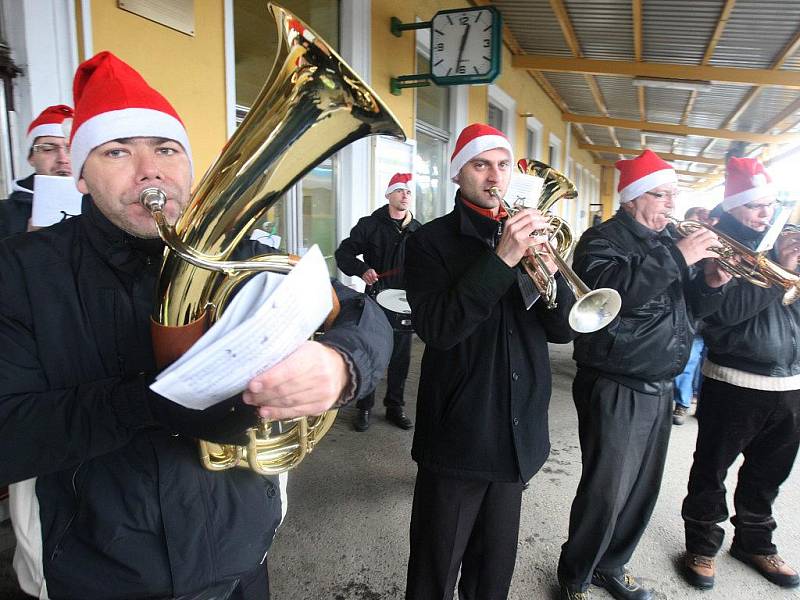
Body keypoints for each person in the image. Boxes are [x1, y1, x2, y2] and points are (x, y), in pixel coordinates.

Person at [0, 51, 391, 600]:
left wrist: (342, 363)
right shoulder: (18, 270)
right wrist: (148, 404)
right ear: (82, 174)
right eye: (117, 151)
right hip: (90, 576)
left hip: (239, 560)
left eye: (166, 149)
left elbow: (358, 312)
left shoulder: (241, 256)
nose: (150, 170)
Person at [403, 123, 576, 599]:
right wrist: (502, 259)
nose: (494, 175)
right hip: (459, 435)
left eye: (502, 164)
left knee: (492, 575)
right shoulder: (429, 242)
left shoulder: (530, 235)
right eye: (481, 165)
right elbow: (438, 329)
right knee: (433, 574)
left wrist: (552, 270)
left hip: (518, 434)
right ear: (459, 175)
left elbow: (561, 330)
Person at [557, 150, 732, 600]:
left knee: (641, 489)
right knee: (606, 490)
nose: (671, 205)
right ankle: (575, 575)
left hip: (659, 381)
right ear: (634, 198)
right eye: (661, 194)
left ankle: (611, 565)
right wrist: (678, 257)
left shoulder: (666, 238)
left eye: (675, 195)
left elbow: (693, 312)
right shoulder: (602, 240)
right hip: (615, 379)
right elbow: (611, 296)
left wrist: (712, 283)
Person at [681, 157, 800, 591]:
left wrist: (792, 270)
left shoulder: (788, 245)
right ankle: (702, 544)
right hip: (733, 379)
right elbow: (720, 315)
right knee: (711, 470)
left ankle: (755, 543)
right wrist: (777, 273)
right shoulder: (714, 246)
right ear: (733, 208)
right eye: (755, 207)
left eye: (769, 206)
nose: (765, 215)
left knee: (769, 472)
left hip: (790, 384)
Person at [335, 172, 421, 432]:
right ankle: (364, 407)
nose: (405, 195)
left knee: (400, 358)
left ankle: (395, 406)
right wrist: (362, 269)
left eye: (408, 191)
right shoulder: (369, 225)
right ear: (389, 195)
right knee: (372, 354)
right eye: (399, 190)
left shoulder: (418, 231)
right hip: (375, 301)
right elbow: (343, 253)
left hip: (405, 303)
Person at [0, 105, 73, 238]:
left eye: (71, 148)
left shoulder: (104, 202)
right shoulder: (5, 214)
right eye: (48, 148)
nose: (63, 159)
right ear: (31, 157)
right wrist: (28, 242)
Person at [671, 205, 713, 425]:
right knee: (688, 363)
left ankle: (686, 401)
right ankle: (682, 402)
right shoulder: (678, 244)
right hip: (686, 317)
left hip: (703, 320)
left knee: (695, 363)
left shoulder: (712, 243)